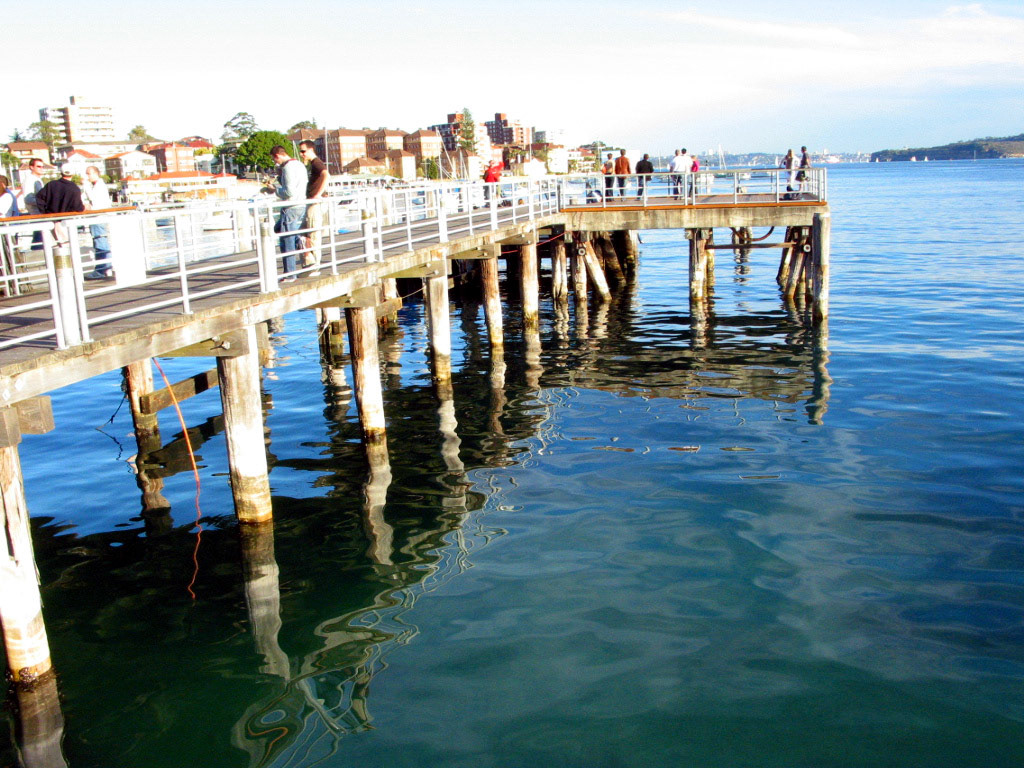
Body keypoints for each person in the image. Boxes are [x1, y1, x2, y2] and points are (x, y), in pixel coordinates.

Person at [270, 146, 307, 281]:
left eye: (274, 160)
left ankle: (290, 274)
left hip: (291, 206)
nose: (275, 162)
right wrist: (280, 176)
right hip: (301, 204)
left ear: (277, 156)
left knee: (287, 240)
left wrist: (274, 190)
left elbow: (289, 192)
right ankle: (300, 240)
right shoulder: (299, 165)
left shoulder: (288, 168)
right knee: (278, 229)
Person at [36, 165, 84, 254]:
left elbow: (39, 198)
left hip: (51, 220)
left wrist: (45, 213)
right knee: (68, 248)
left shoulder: (51, 185)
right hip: (66, 222)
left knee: (55, 249)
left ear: (61, 172)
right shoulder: (75, 189)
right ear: (73, 174)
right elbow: (78, 208)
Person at [299, 140, 329, 275]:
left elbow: (326, 175)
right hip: (311, 203)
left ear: (311, 150)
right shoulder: (312, 164)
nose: (301, 154)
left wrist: (318, 194)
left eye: (303, 151)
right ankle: (310, 263)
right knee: (304, 234)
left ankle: (314, 266)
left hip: (315, 204)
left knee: (313, 234)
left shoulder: (316, 163)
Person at [81, 165, 113, 279]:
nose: (87, 176)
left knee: (100, 242)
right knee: (100, 242)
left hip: (98, 217)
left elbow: (93, 199)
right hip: (98, 217)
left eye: (88, 173)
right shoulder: (98, 185)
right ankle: (106, 268)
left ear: (96, 173)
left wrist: (85, 185)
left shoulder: (99, 186)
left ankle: (101, 269)